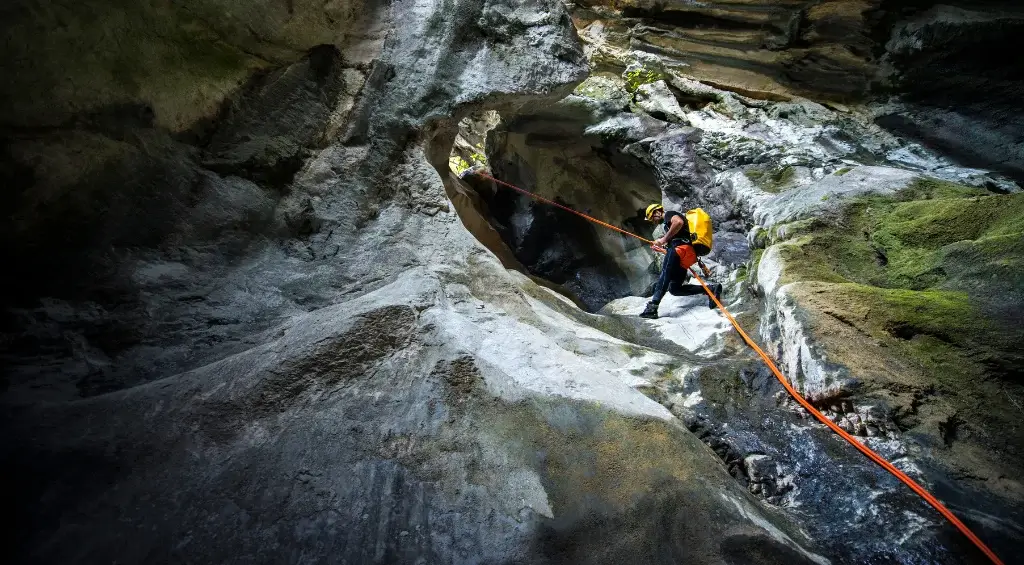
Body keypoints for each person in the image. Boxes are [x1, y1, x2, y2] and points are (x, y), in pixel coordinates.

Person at [639, 204, 722, 319]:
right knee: (675, 289)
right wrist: (662, 249)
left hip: (680, 250)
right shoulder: (668, 226)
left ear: (657, 212)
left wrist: (663, 240)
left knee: (665, 275)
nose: (653, 221)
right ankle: (711, 289)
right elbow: (677, 242)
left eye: (652, 218)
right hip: (687, 254)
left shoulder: (669, 214)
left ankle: (653, 307)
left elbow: (678, 222)